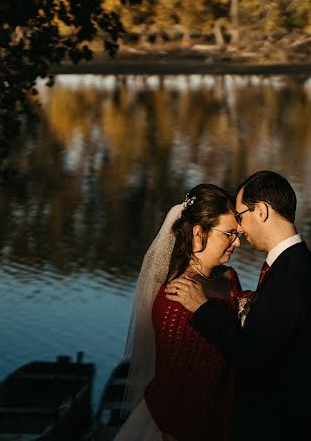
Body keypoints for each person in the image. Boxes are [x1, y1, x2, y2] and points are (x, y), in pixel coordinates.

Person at [166, 171, 311, 440]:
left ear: (263, 211)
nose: (240, 229)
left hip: (281, 428)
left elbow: (254, 357)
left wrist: (203, 308)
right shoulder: (305, 264)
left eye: (241, 217)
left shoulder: (289, 274)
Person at [116, 183, 243, 441]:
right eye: (229, 234)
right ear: (199, 234)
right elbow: (174, 388)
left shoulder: (230, 279)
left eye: (237, 234)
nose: (237, 242)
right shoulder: (174, 300)